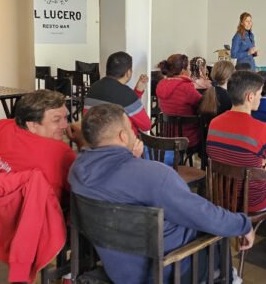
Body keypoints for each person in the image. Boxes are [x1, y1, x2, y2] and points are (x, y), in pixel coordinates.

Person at [68, 103, 255, 284]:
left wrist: (131, 159)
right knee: (217, 233)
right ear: (123, 136)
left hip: (117, 269)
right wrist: (244, 225)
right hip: (168, 271)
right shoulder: (156, 176)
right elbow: (203, 215)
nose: (134, 133)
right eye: (130, 129)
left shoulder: (77, 171)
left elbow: (119, 182)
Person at [206, 71, 266, 212]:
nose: (260, 97)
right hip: (254, 199)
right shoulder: (262, 129)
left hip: (222, 194)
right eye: (259, 93)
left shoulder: (214, 123)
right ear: (250, 97)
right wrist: (265, 162)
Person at [0, 89, 76, 199]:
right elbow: (83, 192)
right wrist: (82, 142)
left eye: (66, 117)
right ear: (32, 125)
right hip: (38, 214)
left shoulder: (3, 126)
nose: (65, 125)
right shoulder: (62, 153)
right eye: (57, 120)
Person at [84, 51, 150, 135]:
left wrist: (137, 92)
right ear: (128, 73)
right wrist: (135, 94)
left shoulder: (93, 88)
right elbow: (146, 125)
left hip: (93, 139)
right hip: (119, 142)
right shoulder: (126, 94)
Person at [155, 54, 203, 152]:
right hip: (187, 138)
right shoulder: (186, 87)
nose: (190, 71)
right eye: (189, 68)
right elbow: (202, 104)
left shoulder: (161, 84)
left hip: (167, 135)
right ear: (183, 71)